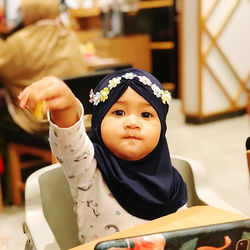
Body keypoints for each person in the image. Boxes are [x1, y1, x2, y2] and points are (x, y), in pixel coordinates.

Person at [18, 68, 188, 243]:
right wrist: (65, 106)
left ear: (162, 129)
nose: (132, 123)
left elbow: (185, 234)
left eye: (146, 114)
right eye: (119, 112)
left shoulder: (172, 181)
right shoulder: (87, 166)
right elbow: (68, 140)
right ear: (98, 121)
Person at [0, 0, 87, 134]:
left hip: (39, 120)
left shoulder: (19, 41)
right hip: (74, 116)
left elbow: (4, 69)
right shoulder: (70, 36)